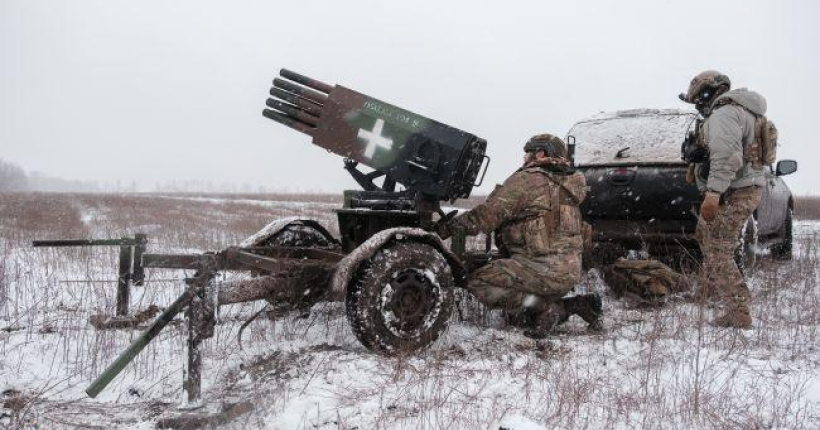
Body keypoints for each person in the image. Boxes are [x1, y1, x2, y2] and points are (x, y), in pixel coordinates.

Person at [437, 133, 602, 338]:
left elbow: (487, 216)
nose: (524, 159)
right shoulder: (570, 184)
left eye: (527, 154)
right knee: (518, 317)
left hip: (540, 271)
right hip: (568, 273)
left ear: (540, 154)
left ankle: (547, 308)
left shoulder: (528, 180)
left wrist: (448, 228)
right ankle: (577, 305)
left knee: (479, 282)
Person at [679, 70, 767, 328]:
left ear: (708, 93)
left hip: (735, 190)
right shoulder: (743, 110)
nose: (697, 105)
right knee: (704, 234)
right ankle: (712, 289)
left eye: (698, 99)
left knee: (717, 247)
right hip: (740, 187)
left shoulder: (725, 113)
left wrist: (713, 193)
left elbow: (728, 157)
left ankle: (738, 310)